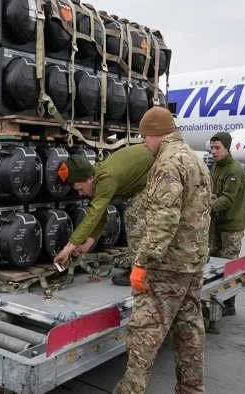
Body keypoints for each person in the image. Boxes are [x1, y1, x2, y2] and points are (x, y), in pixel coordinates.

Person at [113, 106, 212, 394]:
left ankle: (130, 390)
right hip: (192, 263)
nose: (144, 143)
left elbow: (163, 218)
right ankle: (191, 389)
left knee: (144, 332)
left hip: (167, 266)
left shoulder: (168, 163)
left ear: (156, 134)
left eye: (145, 137)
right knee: (189, 330)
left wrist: (142, 262)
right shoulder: (196, 160)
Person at [52, 144, 155, 286]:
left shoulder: (106, 178)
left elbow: (94, 215)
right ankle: (140, 267)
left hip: (160, 170)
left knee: (134, 215)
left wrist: (67, 249)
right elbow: (100, 216)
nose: (80, 194)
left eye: (80, 188)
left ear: (89, 179)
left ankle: (142, 272)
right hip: (150, 175)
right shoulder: (98, 177)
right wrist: (86, 245)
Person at [208, 131, 245, 318]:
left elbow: (227, 199)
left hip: (231, 227)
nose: (213, 152)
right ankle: (216, 300)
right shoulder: (217, 167)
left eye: (217, 148)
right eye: (212, 148)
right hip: (217, 224)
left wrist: (205, 207)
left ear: (227, 148)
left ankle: (229, 304)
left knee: (229, 267)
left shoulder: (233, 170)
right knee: (214, 264)